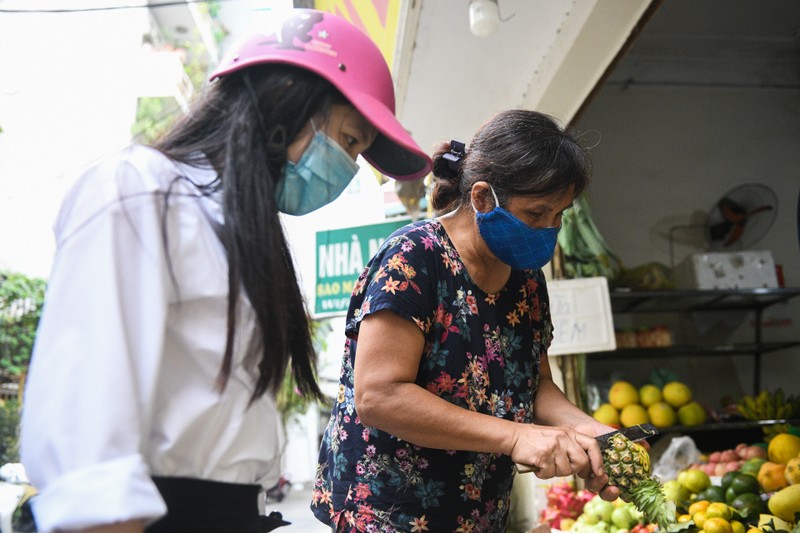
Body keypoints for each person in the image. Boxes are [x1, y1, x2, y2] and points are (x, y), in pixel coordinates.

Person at [20, 8, 431, 533]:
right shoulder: (144, 190)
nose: (347, 168)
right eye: (349, 140)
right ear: (287, 96)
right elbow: (89, 460)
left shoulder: (245, 232)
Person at [311, 109, 620, 532]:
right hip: (388, 512)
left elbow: (535, 385)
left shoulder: (526, 280)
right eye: (536, 214)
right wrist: (514, 436)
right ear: (481, 198)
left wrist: (590, 432)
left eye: (559, 216)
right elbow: (379, 396)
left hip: (478, 513)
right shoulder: (414, 258)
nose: (548, 230)